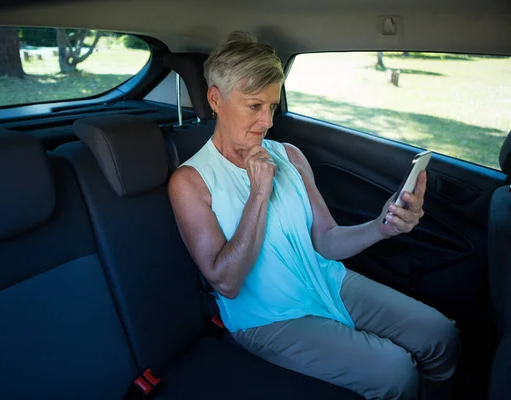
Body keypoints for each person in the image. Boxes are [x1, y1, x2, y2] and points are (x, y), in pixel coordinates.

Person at [167, 31, 459, 400]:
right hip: (267, 317)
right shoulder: (190, 181)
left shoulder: (289, 155)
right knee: (396, 373)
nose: (267, 121)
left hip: (326, 279)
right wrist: (259, 194)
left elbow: (326, 240)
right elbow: (226, 282)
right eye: (254, 106)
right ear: (215, 99)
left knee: (441, 334)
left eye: (272, 107)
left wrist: (383, 226)